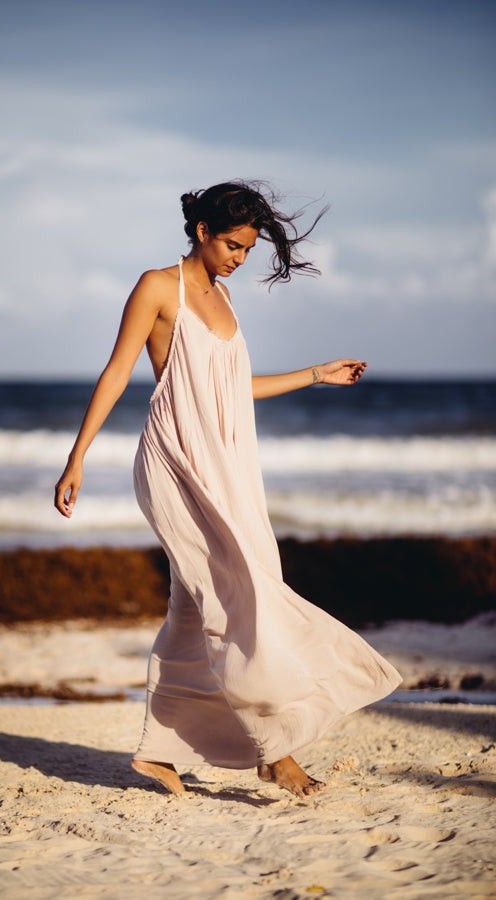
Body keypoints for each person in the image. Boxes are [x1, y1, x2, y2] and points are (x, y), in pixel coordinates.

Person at [55, 181, 401, 798]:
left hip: (228, 462)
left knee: (199, 606)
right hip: (175, 461)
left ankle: (158, 751)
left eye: (248, 249)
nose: (240, 258)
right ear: (201, 232)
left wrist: (316, 374)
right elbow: (117, 370)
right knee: (236, 596)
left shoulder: (226, 299)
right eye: (233, 246)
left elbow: (231, 388)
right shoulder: (158, 287)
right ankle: (275, 751)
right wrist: (77, 458)